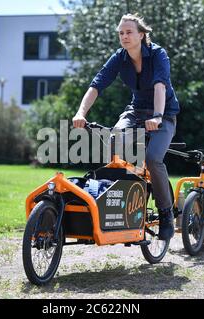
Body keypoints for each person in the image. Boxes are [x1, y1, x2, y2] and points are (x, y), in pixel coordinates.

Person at [72, 14, 180, 242]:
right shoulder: (119, 58)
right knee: (113, 141)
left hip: (164, 114)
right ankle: (124, 204)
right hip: (136, 111)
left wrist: (158, 116)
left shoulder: (158, 54)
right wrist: (81, 113)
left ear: (141, 34)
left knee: (153, 159)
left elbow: (160, 87)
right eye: (121, 33)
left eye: (129, 32)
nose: (124, 36)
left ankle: (166, 214)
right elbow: (96, 85)